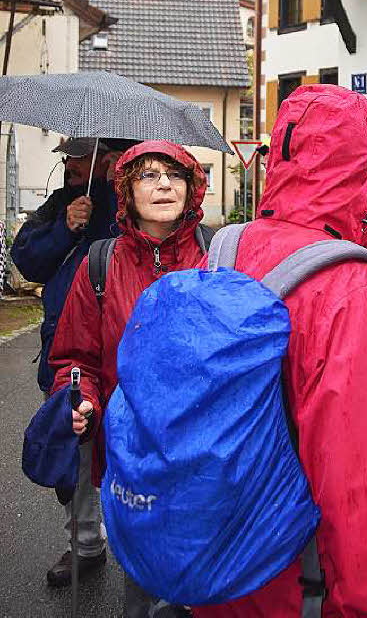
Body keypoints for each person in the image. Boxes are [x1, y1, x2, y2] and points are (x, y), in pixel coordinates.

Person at [193, 84, 367, 618]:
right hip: (294, 581)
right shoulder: (348, 282)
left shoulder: (225, 248)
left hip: (214, 564)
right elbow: (362, 480)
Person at [48, 140, 209, 618]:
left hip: (199, 446)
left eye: (174, 175)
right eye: (148, 175)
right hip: (131, 449)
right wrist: (80, 399)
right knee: (143, 575)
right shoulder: (99, 264)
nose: (163, 184)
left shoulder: (218, 256)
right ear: (126, 191)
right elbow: (77, 357)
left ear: (191, 187)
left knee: (195, 572)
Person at [11, 136, 125, 587]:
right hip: (66, 352)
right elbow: (28, 259)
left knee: (139, 457)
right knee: (72, 453)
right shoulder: (64, 201)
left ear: (110, 159)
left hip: (123, 359)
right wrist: (65, 227)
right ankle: (84, 545)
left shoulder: (136, 205)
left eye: (77, 157)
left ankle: (158, 560)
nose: (68, 164)